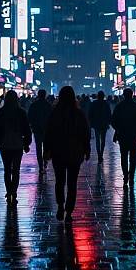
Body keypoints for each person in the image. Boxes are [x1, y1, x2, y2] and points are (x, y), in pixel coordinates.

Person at [44, 86, 91, 223]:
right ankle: (69, 211)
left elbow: (49, 133)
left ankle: (60, 205)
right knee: (72, 183)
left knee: (59, 181)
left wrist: (46, 150)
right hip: (75, 152)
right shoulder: (79, 114)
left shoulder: (55, 113)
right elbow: (85, 133)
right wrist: (87, 149)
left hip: (58, 152)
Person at [0, 91, 32, 205]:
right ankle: (13, 192)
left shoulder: (1, 112)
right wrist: (26, 144)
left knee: (7, 170)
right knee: (16, 170)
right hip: (17, 145)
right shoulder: (21, 112)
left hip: (4, 145)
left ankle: (8, 191)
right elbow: (27, 130)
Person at [111, 88, 136, 188]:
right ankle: (132, 176)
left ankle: (125, 175)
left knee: (124, 156)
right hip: (134, 135)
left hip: (122, 135)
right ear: (131, 95)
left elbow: (113, 121)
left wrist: (118, 129)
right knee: (133, 157)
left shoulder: (119, 107)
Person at [27, 89, 52, 173]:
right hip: (46, 130)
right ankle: (45, 162)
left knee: (38, 148)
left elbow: (29, 117)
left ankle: (41, 165)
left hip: (37, 130)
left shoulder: (34, 105)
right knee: (46, 147)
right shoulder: (48, 105)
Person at [88, 91, 112, 163]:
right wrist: (108, 122)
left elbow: (90, 114)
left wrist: (91, 122)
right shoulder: (106, 104)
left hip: (96, 124)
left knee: (97, 140)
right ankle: (101, 153)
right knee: (103, 140)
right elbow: (109, 114)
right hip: (104, 124)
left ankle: (99, 155)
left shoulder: (94, 103)